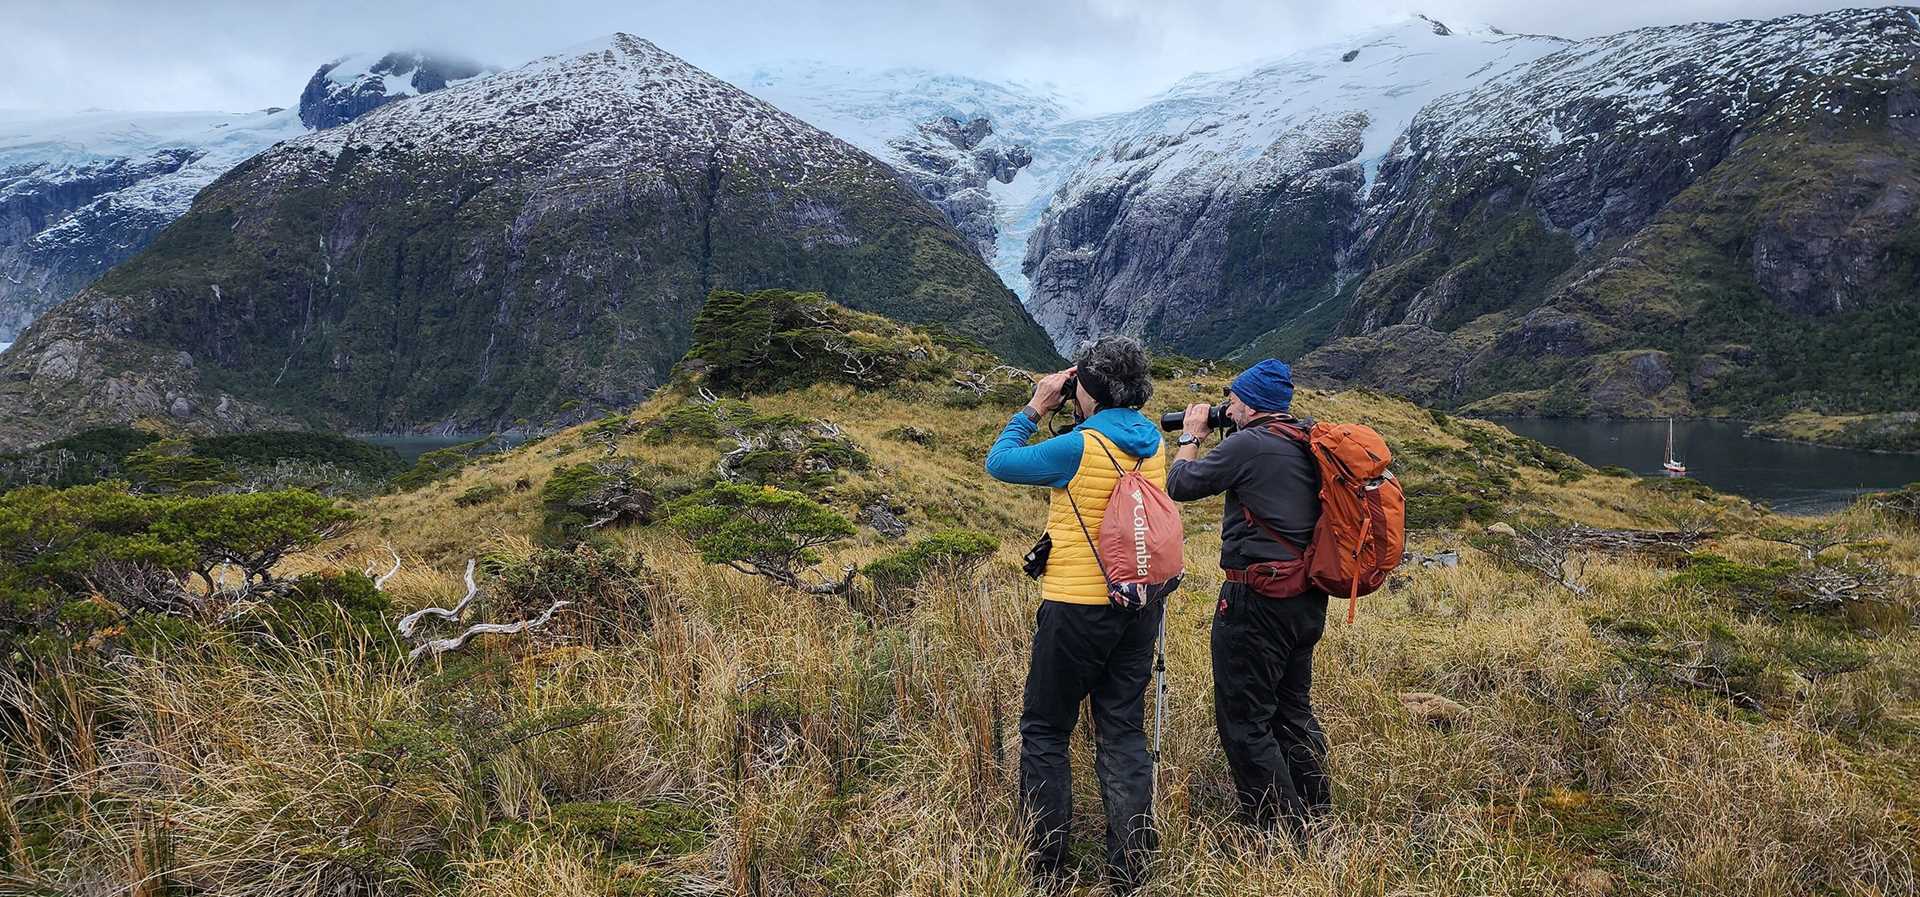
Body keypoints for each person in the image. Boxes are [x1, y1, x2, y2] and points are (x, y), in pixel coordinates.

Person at [983, 335, 1166, 892]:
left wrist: (1037, 406)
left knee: (1045, 730)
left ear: (1086, 389)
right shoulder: (1155, 442)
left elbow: (1000, 463)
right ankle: (1131, 870)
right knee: (1122, 732)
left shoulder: (1077, 448)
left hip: (1076, 607)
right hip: (1139, 607)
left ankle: (1047, 868)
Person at [1163, 358, 1329, 843]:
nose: (1225, 407)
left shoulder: (1250, 443)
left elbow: (1181, 485)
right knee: (1292, 710)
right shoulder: (1301, 440)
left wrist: (1192, 436)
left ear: (1250, 403)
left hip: (1256, 598)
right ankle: (1316, 810)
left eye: (1232, 398)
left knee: (1245, 717)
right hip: (1305, 598)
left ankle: (1277, 830)